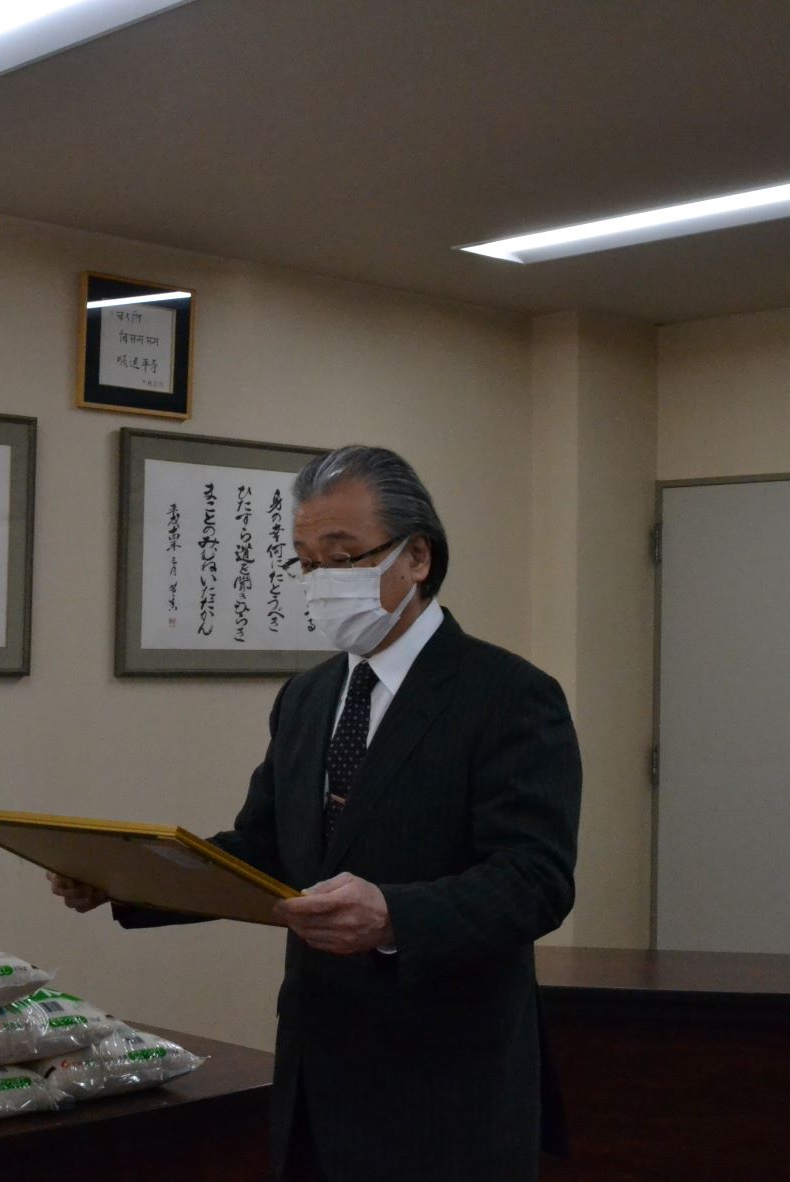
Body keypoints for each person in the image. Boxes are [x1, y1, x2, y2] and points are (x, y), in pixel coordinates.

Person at [52, 445, 581, 1182]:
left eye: (342, 557)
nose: (322, 581)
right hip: (315, 1072)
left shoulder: (507, 695)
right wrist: (124, 876)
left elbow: (534, 879)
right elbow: (265, 849)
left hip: (447, 1080)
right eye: (305, 563)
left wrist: (393, 916)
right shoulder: (307, 696)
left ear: (416, 557)